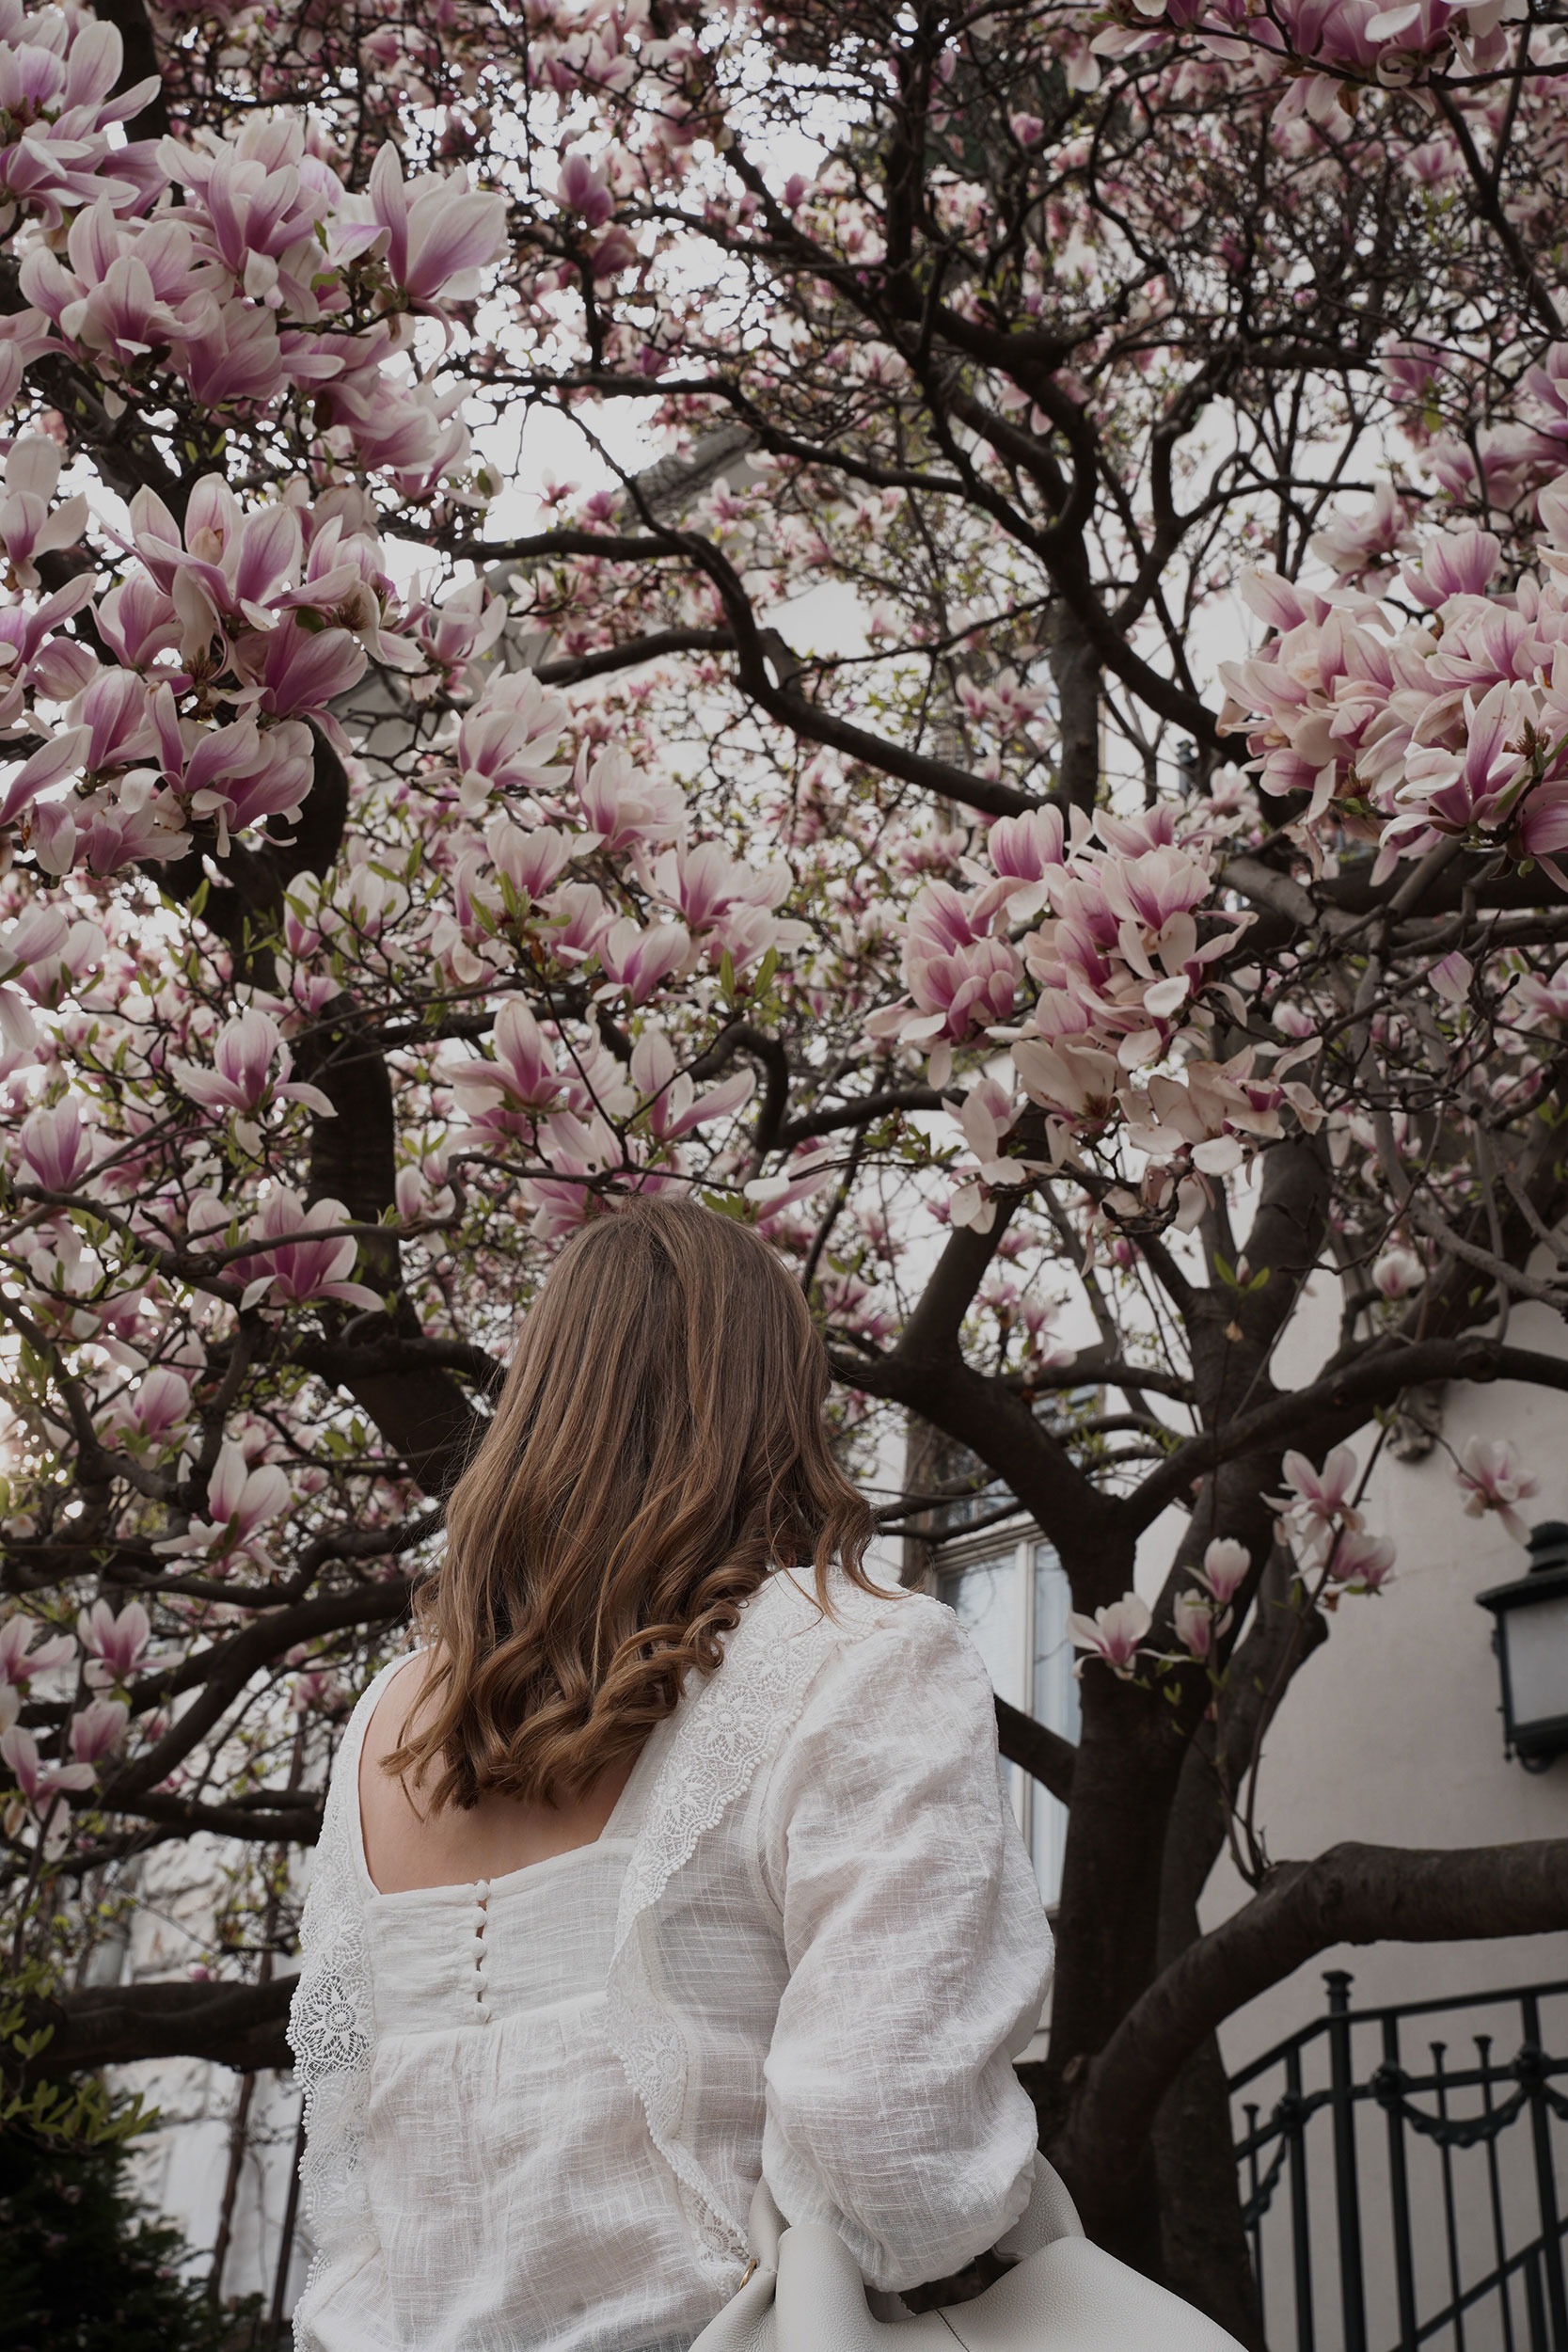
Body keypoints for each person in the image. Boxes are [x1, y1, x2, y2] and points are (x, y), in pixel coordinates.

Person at [287, 1194, 1053, 2352]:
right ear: (771, 1397)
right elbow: (901, 2157)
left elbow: (352, 2178)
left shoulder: (388, 1721)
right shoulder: (858, 1654)